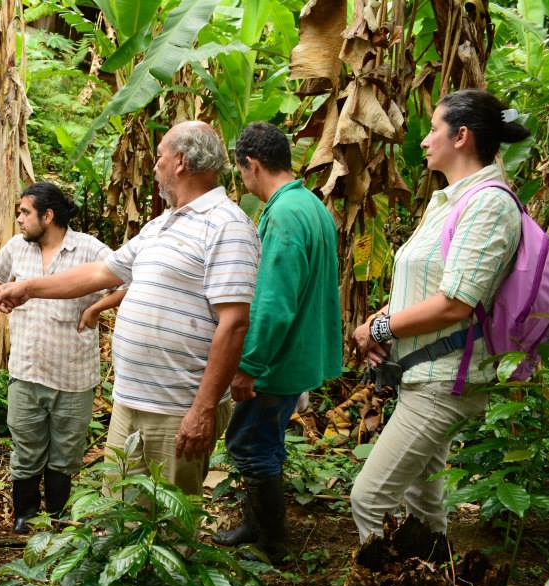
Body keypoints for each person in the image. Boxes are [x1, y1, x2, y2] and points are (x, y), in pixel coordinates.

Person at [0, 121, 261, 497]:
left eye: (159, 157)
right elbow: (102, 272)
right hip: (130, 401)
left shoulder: (228, 226)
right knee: (118, 509)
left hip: (178, 407)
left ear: (180, 161)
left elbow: (235, 323)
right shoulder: (160, 226)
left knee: (168, 514)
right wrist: (28, 288)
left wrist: (204, 409)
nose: (155, 166)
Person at [350, 89, 530, 542]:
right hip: (423, 372)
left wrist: (381, 327)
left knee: (368, 499)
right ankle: (434, 578)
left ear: (461, 136)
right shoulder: (449, 201)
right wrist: (378, 322)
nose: (425, 140)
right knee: (423, 502)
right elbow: (425, 286)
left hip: (444, 379)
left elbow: (456, 302)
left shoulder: (488, 204)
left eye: (434, 130)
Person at [211, 122, 342, 561]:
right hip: (298, 352)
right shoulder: (309, 204)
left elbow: (274, 302)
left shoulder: (285, 214)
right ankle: (256, 526)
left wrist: (249, 365)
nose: (242, 180)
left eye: (240, 171)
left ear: (251, 164)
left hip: (279, 358)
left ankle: (272, 543)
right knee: (263, 441)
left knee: (248, 444)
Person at [0, 182, 122, 533]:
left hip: (72, 375)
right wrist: (0, 295)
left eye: (24, 212)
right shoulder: (18, 247)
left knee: (64, 454)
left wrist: (96, 309)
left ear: (48, 216)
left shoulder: (89, 249)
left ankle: (57, 520)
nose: (19, 219)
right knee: (26, 449)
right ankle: (25, 516)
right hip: (26, 370)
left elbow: (125, 281)